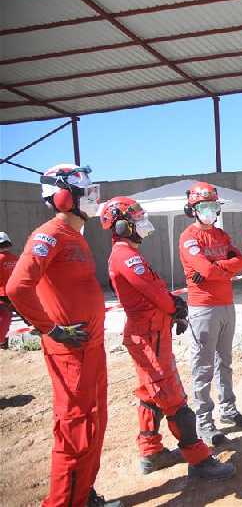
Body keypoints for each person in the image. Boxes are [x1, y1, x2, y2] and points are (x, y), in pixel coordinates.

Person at [6, 164, 120, 506]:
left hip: (90, 349)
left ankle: (82, 494)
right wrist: (52, 329)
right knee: (75, 430)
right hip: (70, 354)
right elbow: (17, 287)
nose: (93, 200)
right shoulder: (49, 234)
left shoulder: (76, 237)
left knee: (94, 422)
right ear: (64, 197)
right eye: (88, 193)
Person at [102, 197, 235, 480]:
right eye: (135, 217)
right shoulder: (125, 255)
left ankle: (151, 452)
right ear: (123, 225)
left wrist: (172, 309)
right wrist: (174, 306)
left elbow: (151, 290)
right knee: (173, 397)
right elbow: (150, 291)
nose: (141, 222)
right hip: (148, 336)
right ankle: (199, 460)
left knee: (150, 393)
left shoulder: (128, 252)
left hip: (152, 332)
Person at [178, 181, 242, 447]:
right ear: (193, 208)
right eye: (205, 206)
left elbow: (240, 261)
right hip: (203, 308)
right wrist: (223, 269)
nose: (210, 211)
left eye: (213, 206)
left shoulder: (221, 236)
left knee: (225, 361)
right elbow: (205, 271)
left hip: (225, 305)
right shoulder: (189, 237)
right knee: (203, 366)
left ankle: (229, 410)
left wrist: (217, 267)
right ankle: (204, 422)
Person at [0, 232, 19, 349]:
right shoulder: (16, 259)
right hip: (14, 295)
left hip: (1, 294)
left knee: (3, 318)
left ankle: (2, 342)